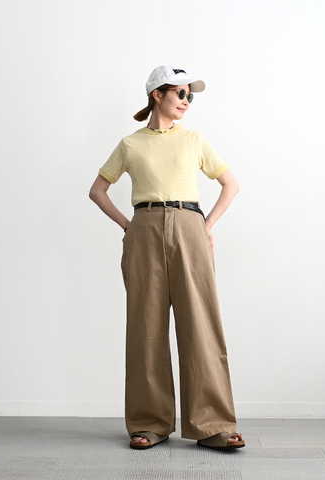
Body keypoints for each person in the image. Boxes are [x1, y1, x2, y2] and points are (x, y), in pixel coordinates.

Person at [89, 65, 244, 451]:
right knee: (147, 327)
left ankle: (212, 425)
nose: (187, 101)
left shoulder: (194, 140)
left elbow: (230, 184)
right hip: (144, 229)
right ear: (157, 95)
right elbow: (97, 190)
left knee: (201, 324)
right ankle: (149, 422)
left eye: (190, 95)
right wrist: (129, 225)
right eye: (181, 93)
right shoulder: (130, 144)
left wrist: (206, 225)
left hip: (190, 225)